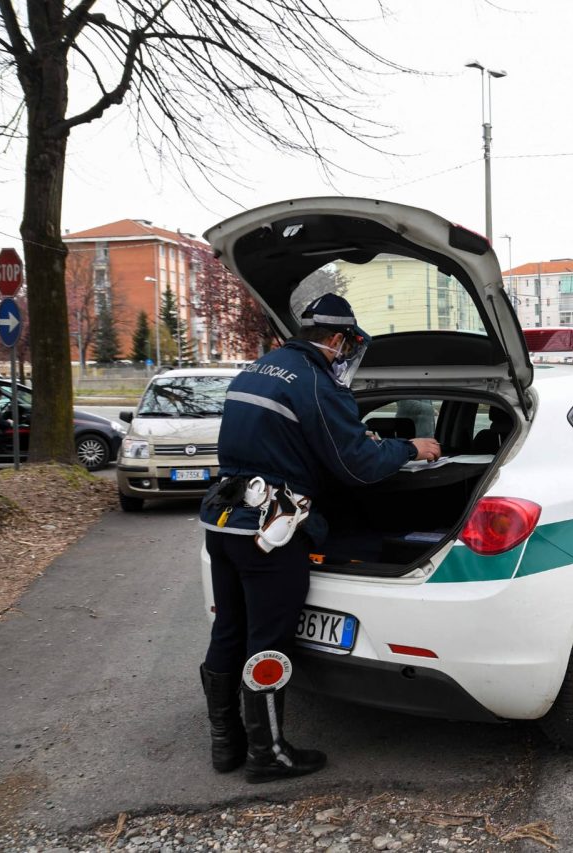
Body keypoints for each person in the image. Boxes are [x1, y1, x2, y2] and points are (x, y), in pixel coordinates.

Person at [196, 293, 441, 783]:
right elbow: (358, 466)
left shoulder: (258, 368)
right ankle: (267, 755)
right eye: (347, 344)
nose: (346, 353)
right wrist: (411, 445)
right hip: (269, 533)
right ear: (335, 339)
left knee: (229, 632)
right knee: (267, 641)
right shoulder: (314, 382)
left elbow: (279, 443)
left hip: (222, 522)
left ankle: (228, 746)